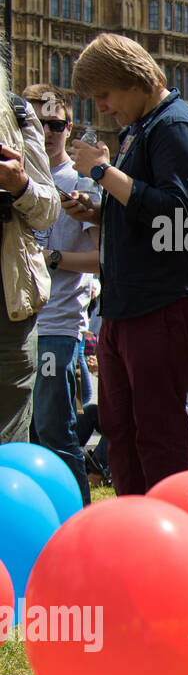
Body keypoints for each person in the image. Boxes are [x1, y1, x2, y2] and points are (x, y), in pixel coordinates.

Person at [66, 33, 188, 493]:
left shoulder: (174, 127)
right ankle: (132, 526)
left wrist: (102, 173)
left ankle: (166, 530)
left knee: (156, 429)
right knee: (119, 427)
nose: (103, 108)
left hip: (163, 302)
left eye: (104, 95)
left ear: (130, 80)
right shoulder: (144, 129)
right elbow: (146, 213)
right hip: (127, 304)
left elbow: (179, 215)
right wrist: (99, 210)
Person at [23, 84, 99, 503]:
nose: (47, 132)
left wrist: (52, 258)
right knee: (21, 432)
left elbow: (104, 260)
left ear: (68, 128)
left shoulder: (80, 182)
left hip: (57, 326)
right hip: (18, 324)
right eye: (37, 123)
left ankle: (78, 517)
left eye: (55, 123)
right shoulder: (15, 177)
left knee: (54, 429)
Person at [0, 68, 59, 444]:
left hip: (7, 301)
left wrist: (20, 185)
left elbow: (48, 209)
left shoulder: (17, 114)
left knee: (8, 432)